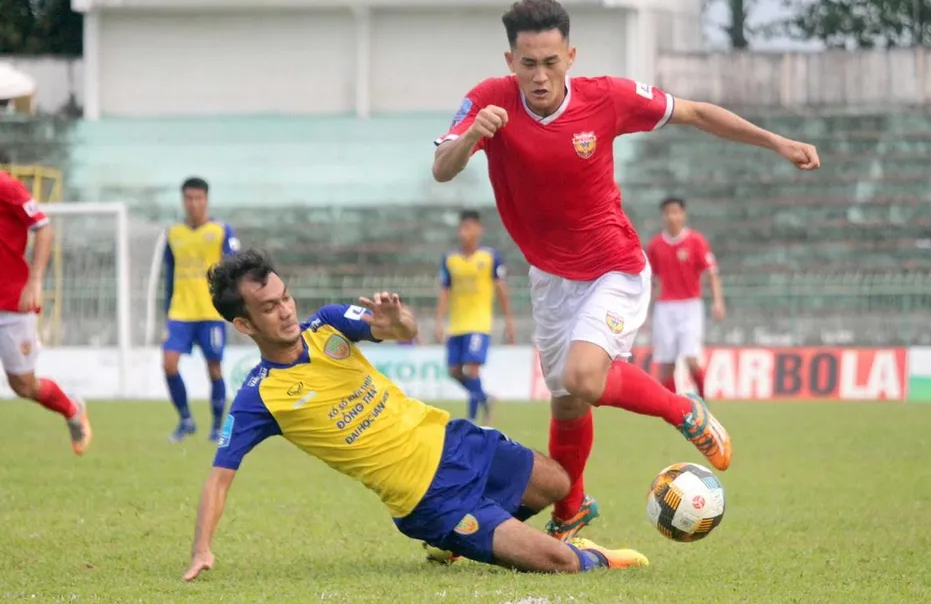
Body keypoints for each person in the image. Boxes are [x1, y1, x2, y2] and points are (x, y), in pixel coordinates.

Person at [431, 0, 820, 541]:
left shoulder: (607, 98)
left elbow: (695, 112)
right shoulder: (488, 100)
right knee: (567, 403)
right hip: (550, 279)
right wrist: (474, 134)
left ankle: (682, 408)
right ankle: (571, 511)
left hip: (612, 266)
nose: (539, 76)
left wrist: (776, 141)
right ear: (510, 60)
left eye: (550, 62)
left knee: (583, 378)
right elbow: (442, 168)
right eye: (528, 64)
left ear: (570, 56)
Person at [181, 249, 648, 582]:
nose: (286, 311)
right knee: (560, 562)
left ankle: (459, 543)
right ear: (244, 324)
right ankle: (588, 557)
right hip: (429, 500)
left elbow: (403, 330)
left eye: (285, 297)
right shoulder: (259, 396)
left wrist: (396, 320)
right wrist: (202, 548)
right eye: (269, 307)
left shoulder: (327, 324)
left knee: (558, 482)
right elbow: (219, 478)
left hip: (454, 439)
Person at [0, 170, 91, 454]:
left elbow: (43, 227)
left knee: (24, 385)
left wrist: (35, 280)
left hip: (13, 303)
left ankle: (72, 409)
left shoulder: (6, 186)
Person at [162, 177, 240, 443]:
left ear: (206, 200)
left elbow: (234, 270)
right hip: (180, 313)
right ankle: (186, 420)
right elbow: (169, 274)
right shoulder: (173, 233)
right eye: (189, 198)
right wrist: (166, 311)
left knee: (214, 368)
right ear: (183, 200)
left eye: (198, 198)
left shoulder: (221, 231)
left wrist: (233, 308)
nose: (193, 203)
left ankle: (217, 427)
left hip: (210, 313)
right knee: (168, 364)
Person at [434, 209, 515, 425]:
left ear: (479, 230)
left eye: (469, 227)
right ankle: (485, 398)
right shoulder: (450, 259)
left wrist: (509, 320)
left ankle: (471, 419)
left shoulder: (490, 257)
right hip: (456, 324)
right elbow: (444, 292)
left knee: (472, 369)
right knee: (454, 370)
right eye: (462, 228)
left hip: (479, 323)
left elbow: (501, 290)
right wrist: (439, 322)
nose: (465, 232)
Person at [647, 197, 724, 397]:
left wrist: (718, 301)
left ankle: (703, 403)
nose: (672, 217)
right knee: (666, 364)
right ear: (662, 216)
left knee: (691, 359)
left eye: (675, 212)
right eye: (667, 212)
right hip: (664, 308)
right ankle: (672, 409)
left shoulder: (696, 241)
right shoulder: (655, 245)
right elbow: (652, 281)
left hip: (690, 307)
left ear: (683, 214)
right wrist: (647, 312)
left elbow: (711, 273)